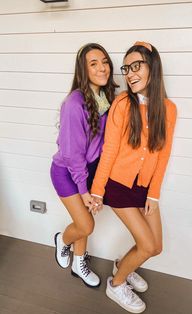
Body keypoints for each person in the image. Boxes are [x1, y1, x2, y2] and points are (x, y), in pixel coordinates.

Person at [91, 41, 177, 312]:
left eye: (136, 66)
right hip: (118, 186)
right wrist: (97, 190)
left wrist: (154, 193)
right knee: (147, 244)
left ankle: (123, 265)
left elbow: (163, 154)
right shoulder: (121, 104)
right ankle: (116, 284)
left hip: (144, 187)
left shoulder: (168, 109)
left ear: (153, 67)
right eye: (126, 68)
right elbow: (109, 150)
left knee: (156, 247)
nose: (129, 73)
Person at [50, 43, 118, 287]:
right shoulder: (74, 103)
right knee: (86, 224)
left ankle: (79, 264)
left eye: (105, 61)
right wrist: (84, 188)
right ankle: (62, 240)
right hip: (67, 173)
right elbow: (72, 154)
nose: (102, 68)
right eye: (93, 63)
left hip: (89, 172)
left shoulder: (105, 98)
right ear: (83, 70)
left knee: (85, 222)